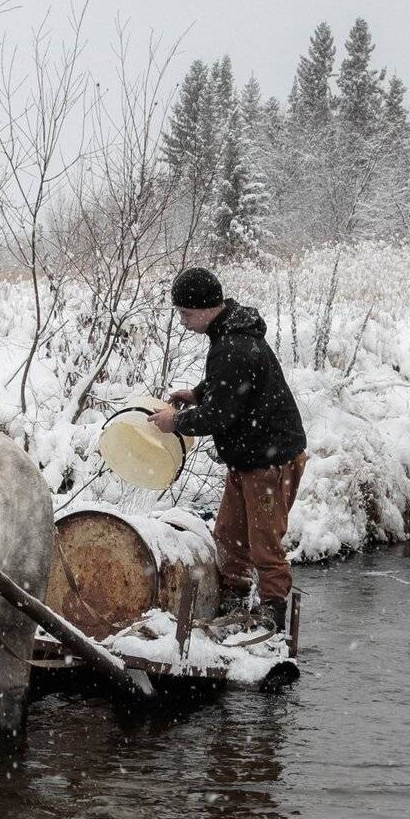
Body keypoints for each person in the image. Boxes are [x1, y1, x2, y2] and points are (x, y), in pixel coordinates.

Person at [149, 267, 308, 632]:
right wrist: (198, 393)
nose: (184, 321)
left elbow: (218, 417)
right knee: (229, 535)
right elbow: (232, 386)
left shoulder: (233, 345)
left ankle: (271, 618)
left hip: (271, 460)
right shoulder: (231, 335)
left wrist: (175, 422)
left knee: (264, 543)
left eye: (186, 313)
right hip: (250, 456)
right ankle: (235, 602)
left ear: (206, 309)